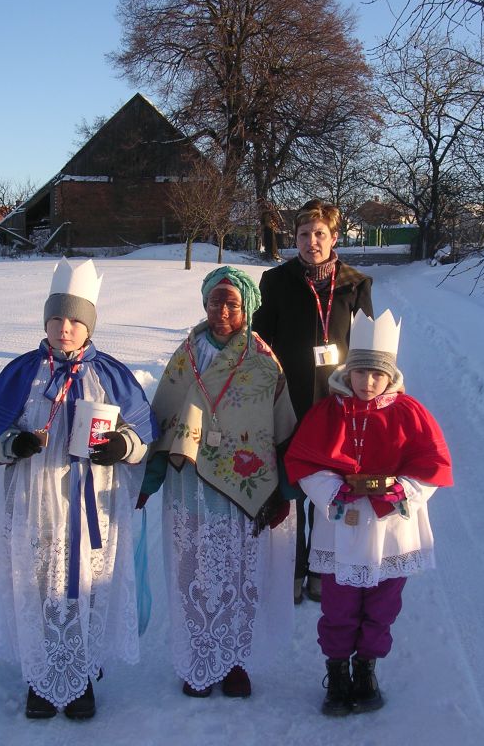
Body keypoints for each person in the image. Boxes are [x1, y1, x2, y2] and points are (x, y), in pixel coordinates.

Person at [0, 258, 158, 720]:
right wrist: (12, 444)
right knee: (38, 584)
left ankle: (81, 676)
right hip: (36, 502)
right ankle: (41, 677)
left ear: (89, 325)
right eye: (56, 318)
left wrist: (122, 446)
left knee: (86, 585)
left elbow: (142, 437)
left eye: (75, 320)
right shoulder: (22, 373)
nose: (64, 328)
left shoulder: (110, 374)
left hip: (91, 504)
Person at [137, 266, 298, 699]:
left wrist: (284, 491)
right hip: (191, 486)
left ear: (248, 308)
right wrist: (148, 482)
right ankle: (199, 659)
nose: (222, 312)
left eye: (232, 304)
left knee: (240, 574)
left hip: (243, 489)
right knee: (193, 572)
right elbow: (163, 418)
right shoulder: (186, 355)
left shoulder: (263, 361)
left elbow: (282, 426)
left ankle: (235, 661)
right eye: (214, 302)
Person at [284, 309, 453, 716]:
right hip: (341, 525)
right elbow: (304, 463)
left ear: (389, 375)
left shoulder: (410, 412)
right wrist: (333, 490)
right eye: (361, 372)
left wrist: (401, 490)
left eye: (377, 374)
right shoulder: (328, 412)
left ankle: (366, 669)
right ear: (349, 371)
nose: (368, 382)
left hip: (390, 528)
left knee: (382, 604)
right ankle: (337, 672)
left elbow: (432, 466)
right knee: (338, 604)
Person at [252, 199, 373, 604]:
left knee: (329, 492)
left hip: (337, 407)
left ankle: (323, 568)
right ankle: (293, 568)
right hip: (288, 401)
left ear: (334, 237)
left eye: (320, 233)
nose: (311, 241)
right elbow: (261, 343)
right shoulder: (276, 281)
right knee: (292, 491)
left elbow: (367, 350)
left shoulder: (355, 284)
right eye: (304, 234)